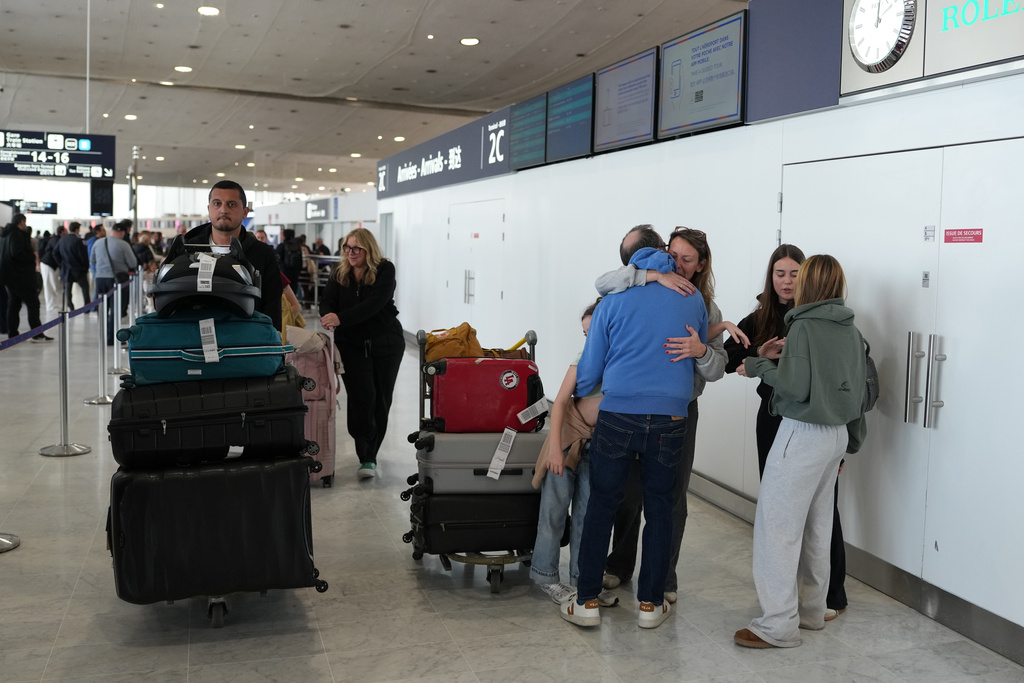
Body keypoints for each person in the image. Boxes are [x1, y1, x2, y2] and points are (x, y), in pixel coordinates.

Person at [595, 226, 746, 604]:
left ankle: (664, 576)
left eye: (686, 259)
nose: (677, 263)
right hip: (632, 408)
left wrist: (701, 350)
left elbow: (715, 371)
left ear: (702, 265)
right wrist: (652, 274)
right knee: (629, 492)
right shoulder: (638, 285)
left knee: (671, 496)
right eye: (672, 254)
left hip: (678, 414)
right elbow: (603, 282)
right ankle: (620, 565)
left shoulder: (705, 307)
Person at [561, 240, 707, 630]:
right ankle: (650, 605)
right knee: (660, 508)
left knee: (603, 504)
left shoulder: (611, 302)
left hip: (619, 413)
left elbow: (590, 370)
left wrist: (581, 395)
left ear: (630, 265)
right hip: (672, 416)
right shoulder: (692, 297)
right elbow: (698, 351)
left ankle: (587, 600)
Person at [733, 254, 867, 649]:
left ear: (808, 283)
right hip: (836, 437)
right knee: (817, 527)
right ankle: (811, 612)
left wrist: (757, 366)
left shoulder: (805, 327)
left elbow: (792, 387)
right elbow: (858, 392)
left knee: (777, 529)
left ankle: (776, 625)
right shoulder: (851, 329)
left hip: (803, 434)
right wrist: (849, 444)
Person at [530, 297, 618, 608]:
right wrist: (555, 449)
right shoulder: (583, 359)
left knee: (586, 515)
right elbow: (561, 404)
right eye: (586, 333)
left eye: (594, 331)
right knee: (554, 512)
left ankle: (584, 579)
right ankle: (546, 576)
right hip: (567, 439)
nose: (590, 338)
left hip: (598, 443)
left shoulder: (621, 357)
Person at [319, 228, 404, 480]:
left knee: (380, 398)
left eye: (357, 248)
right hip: (351, 344)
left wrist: (341, 318)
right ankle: (365, 454)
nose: (351, 253)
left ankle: (371, 454)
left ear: (369, 249)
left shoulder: (384, 269)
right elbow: (327, 300)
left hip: (386, 341)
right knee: (360, 398)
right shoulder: (339, 272)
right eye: (347, 247)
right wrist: (327, 315)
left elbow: (375, 304)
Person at [164, 180, 284, 329]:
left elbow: (272, 306)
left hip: (246, 340)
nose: (223, 210)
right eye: (217, 203)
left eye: (231, 204)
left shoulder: (263, 253)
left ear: (245, 212)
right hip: (192, 338)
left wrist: (270, 344)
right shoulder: (186, 249)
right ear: (209, 209)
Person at [0, 214, 52, 342]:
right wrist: (31, 258)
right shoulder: (17, 234)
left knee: (14, 304)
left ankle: (13, 333)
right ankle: (36, 333)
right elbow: (16, 253)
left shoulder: (5, 235)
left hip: (9, 275)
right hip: (21, 276)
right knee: (33, 303)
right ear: (21, 222)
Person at [90, 222, 138, 344]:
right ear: (122, 233)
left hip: (100, 279)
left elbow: (93, 261)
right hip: (116, 280)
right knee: (115, 309)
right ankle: (112, 338)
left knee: (103, 308)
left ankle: (103, 336)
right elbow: (133, 263)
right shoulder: (123, 244)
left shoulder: (98, 242)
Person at [55, 222, 91, 310]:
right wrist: (86, 267)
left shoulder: (62, 240)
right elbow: (83, 256)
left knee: (68, 289)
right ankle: (87, 307)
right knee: (85, 288)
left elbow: (55, 252)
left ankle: (70, 306)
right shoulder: (78, 241)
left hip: (66, 268)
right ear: (77, 229)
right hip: (78, 269)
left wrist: (61, 263)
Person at [38, 226, 66, 312]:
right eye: (66, 231)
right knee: (49, 285)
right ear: (62, 231)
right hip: (48, 264)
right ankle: (50, 306)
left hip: (52, 265)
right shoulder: (56, 240)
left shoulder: (56, 239)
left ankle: (54, 304)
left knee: (53, 285)